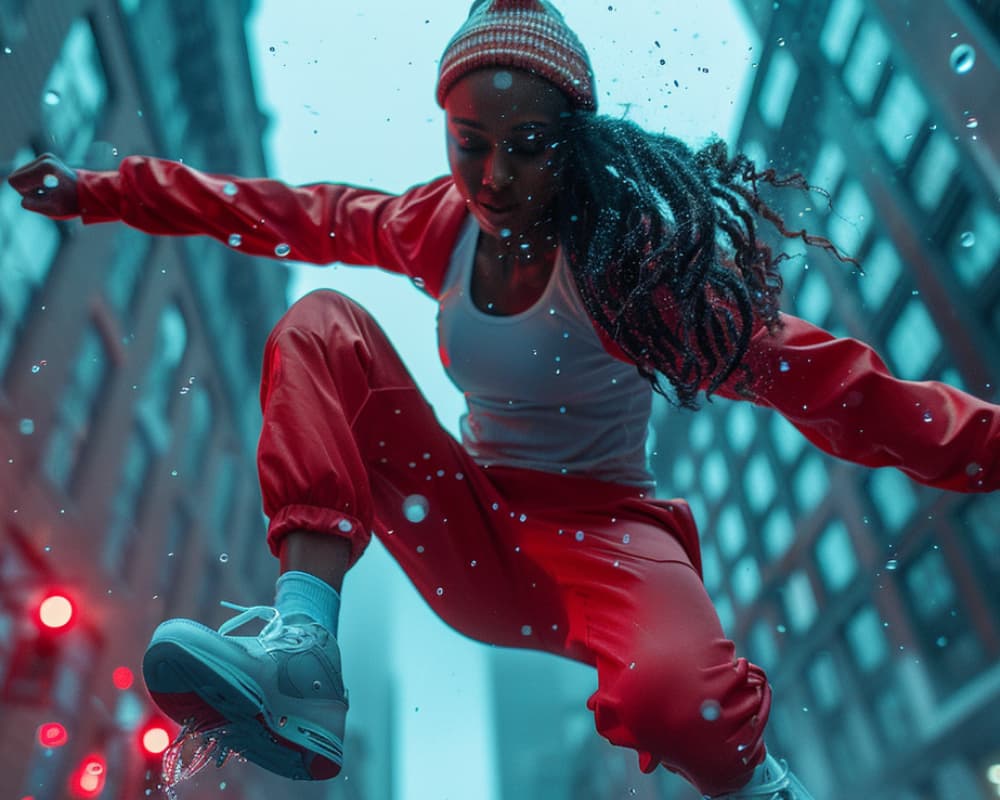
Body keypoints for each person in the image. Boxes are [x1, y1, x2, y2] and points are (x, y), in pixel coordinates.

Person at [8, 1, 998, 797]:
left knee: (676, 700)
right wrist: (106, 190)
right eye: (469, 141)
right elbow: (287, 213)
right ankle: (304, 647)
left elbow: (834, 382)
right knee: (322, 324)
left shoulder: (632, 270)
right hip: (472, 524)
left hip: (610, 538)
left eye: (525, 145)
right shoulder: (439, 228)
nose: (493, 177)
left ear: (573, 141)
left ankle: (757, 784)